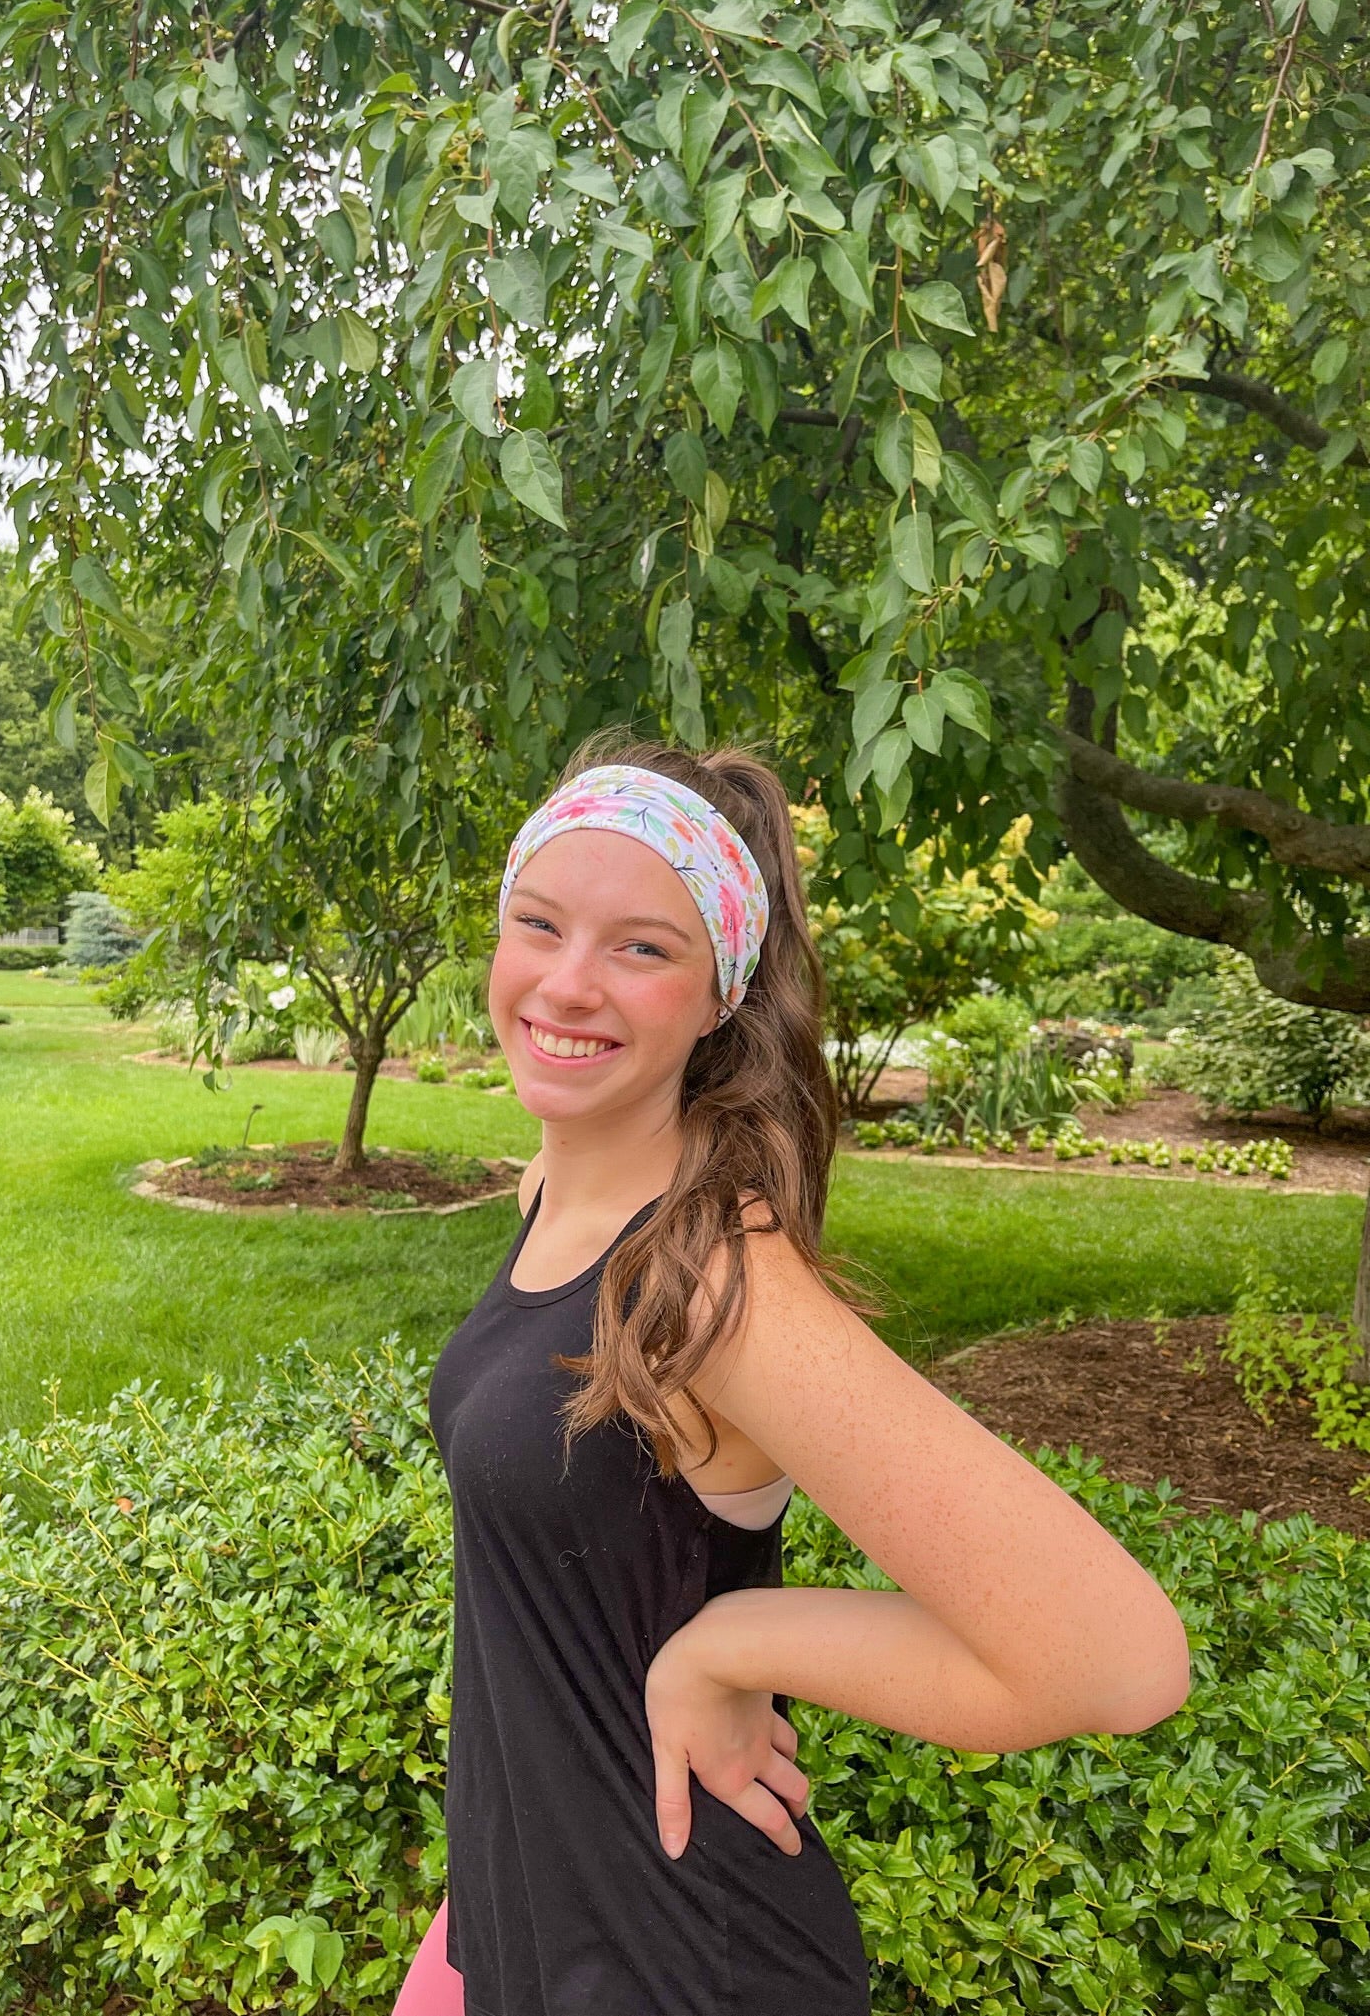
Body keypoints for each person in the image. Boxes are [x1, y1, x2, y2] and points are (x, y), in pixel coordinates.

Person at [399, 732, 1191, 2016]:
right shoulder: (557, 1190)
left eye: (643, 947)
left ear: (720, 992)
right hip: (538, 1923)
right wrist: (475, 1915)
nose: (567, 982)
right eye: (537, 923)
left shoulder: (711, 1284)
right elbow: (554, 1625)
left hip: (679, 1962)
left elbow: (1119, 1658)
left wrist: (725, 1643)